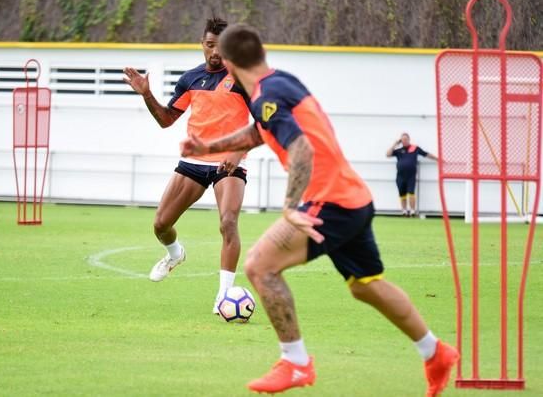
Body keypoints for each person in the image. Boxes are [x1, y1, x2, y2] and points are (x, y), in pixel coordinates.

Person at [180, 24, 458, 396]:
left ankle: (295, 363)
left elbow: (301, 150)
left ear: (228, 65)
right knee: (366, 286)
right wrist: (209, 144)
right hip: (354, 198)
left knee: (260, 267)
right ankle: (435, 352)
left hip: (329, 201)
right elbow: (259, 132)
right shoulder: (281, 83)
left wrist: (291, 206)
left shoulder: (266, 96)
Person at [122, 17, 250, 314]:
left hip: (228, 163)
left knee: (228, 223)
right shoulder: (190, 79)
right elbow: (167, 120)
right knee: (160, 224)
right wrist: (147, 94)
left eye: (220, 46)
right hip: (193, 161)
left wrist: (240, 150)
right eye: (209, 45)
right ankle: (175, 254)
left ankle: (224, 297)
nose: (214, 51)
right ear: (202, 45)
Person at [386, 133, 438, 217]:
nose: (404, 141)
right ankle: (404, 211)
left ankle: (413, 211)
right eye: (403, 140)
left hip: (411, 176)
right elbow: (388, 154)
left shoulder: (415, 148)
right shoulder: (399, 150)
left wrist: (437, 159)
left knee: (411, 193)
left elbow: (426, 154)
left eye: (406, 139)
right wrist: (395, 144)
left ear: (409, 139)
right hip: (400, 176)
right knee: (402, 194)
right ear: (401, 141)